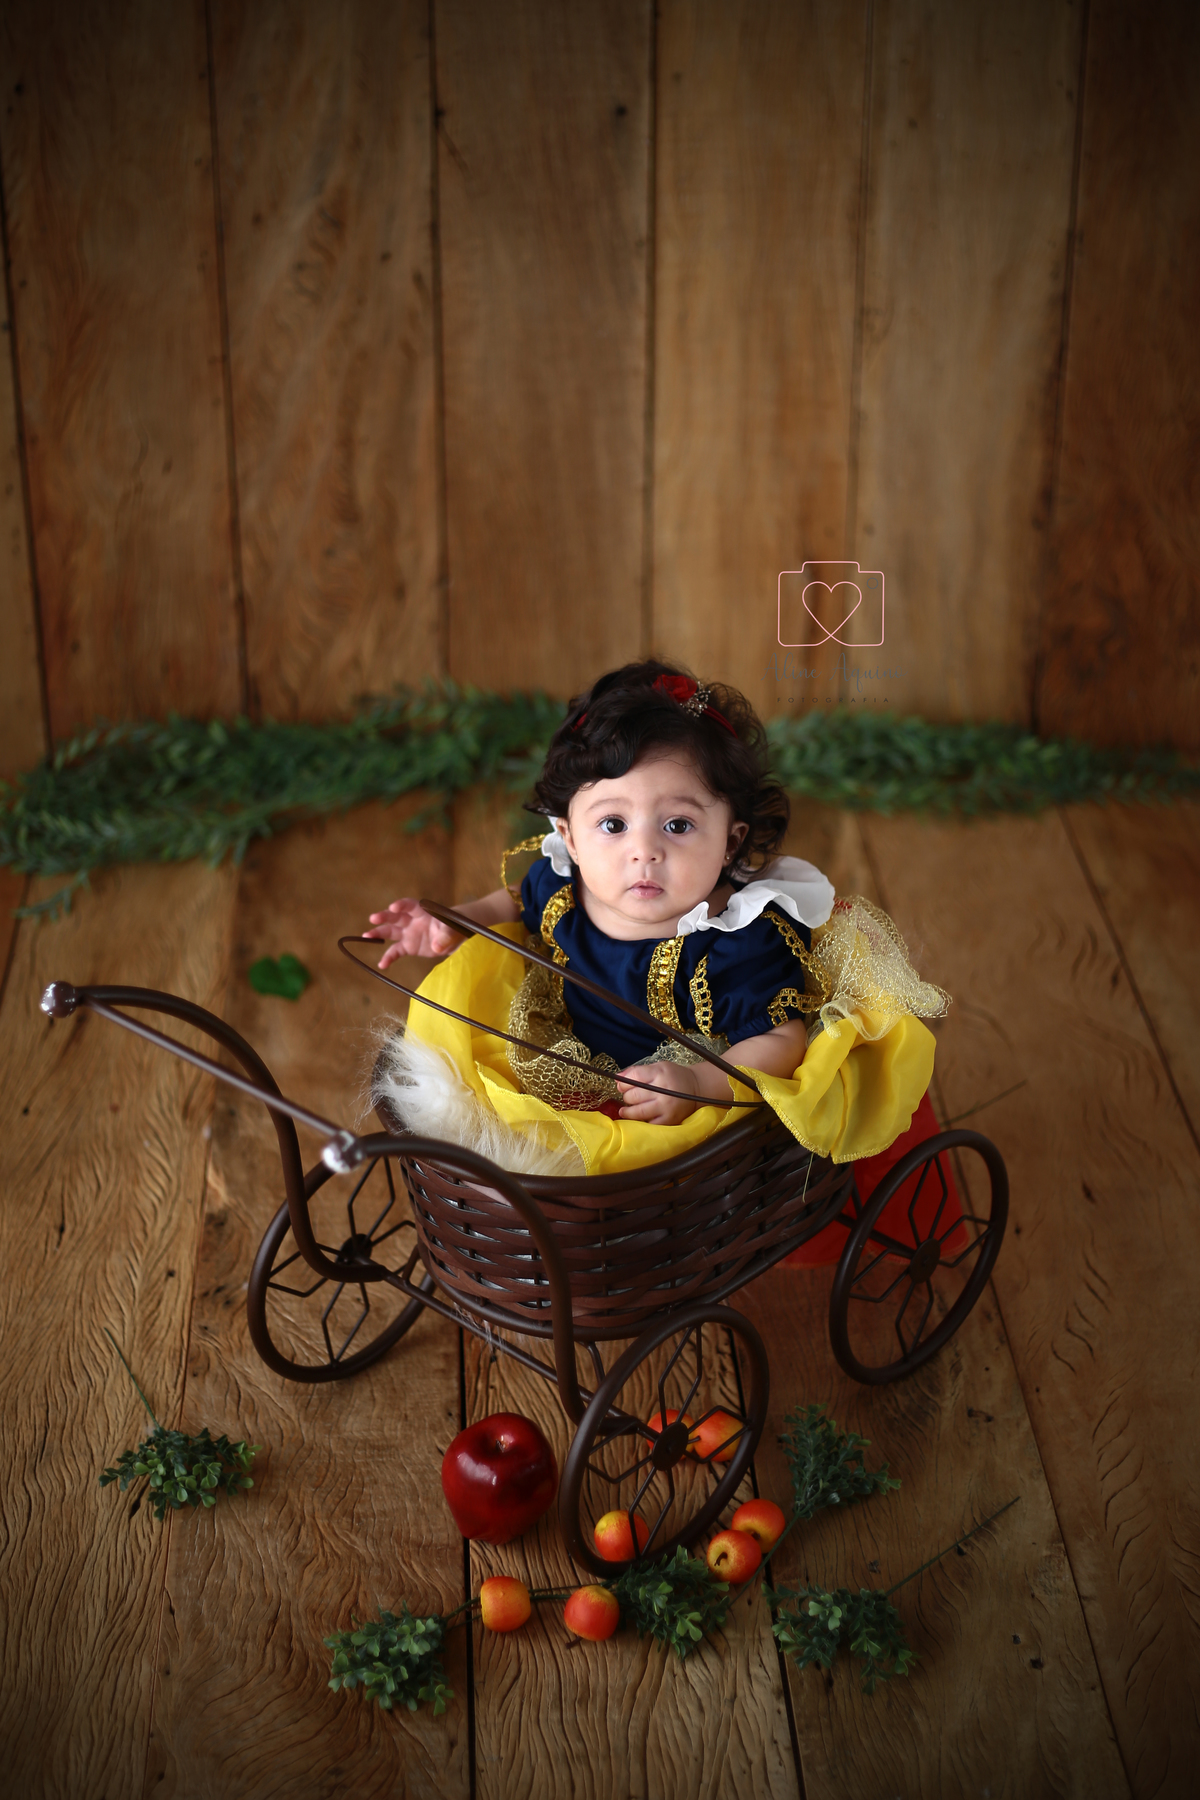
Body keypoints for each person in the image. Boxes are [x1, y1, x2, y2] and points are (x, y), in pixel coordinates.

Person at [365, 661, 946, 1153]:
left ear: (731, 843)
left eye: (678, 825)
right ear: (569, 838)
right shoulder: (565, 889)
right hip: (568, 1062)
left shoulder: (735, 941)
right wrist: (453, 920)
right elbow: (514, 901)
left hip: (687, 1105)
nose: (644, 851)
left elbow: (780, 1041)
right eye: (613, 824)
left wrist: (699, 1083)